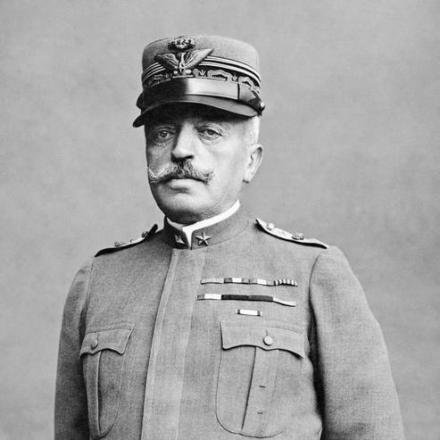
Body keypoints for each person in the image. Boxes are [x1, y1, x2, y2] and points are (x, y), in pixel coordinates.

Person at [55, 35, 405, 439]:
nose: (181, 150)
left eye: (209, 132)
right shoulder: (98, 282)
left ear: (251, 161)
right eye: (163, 133)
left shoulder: (313, 274)